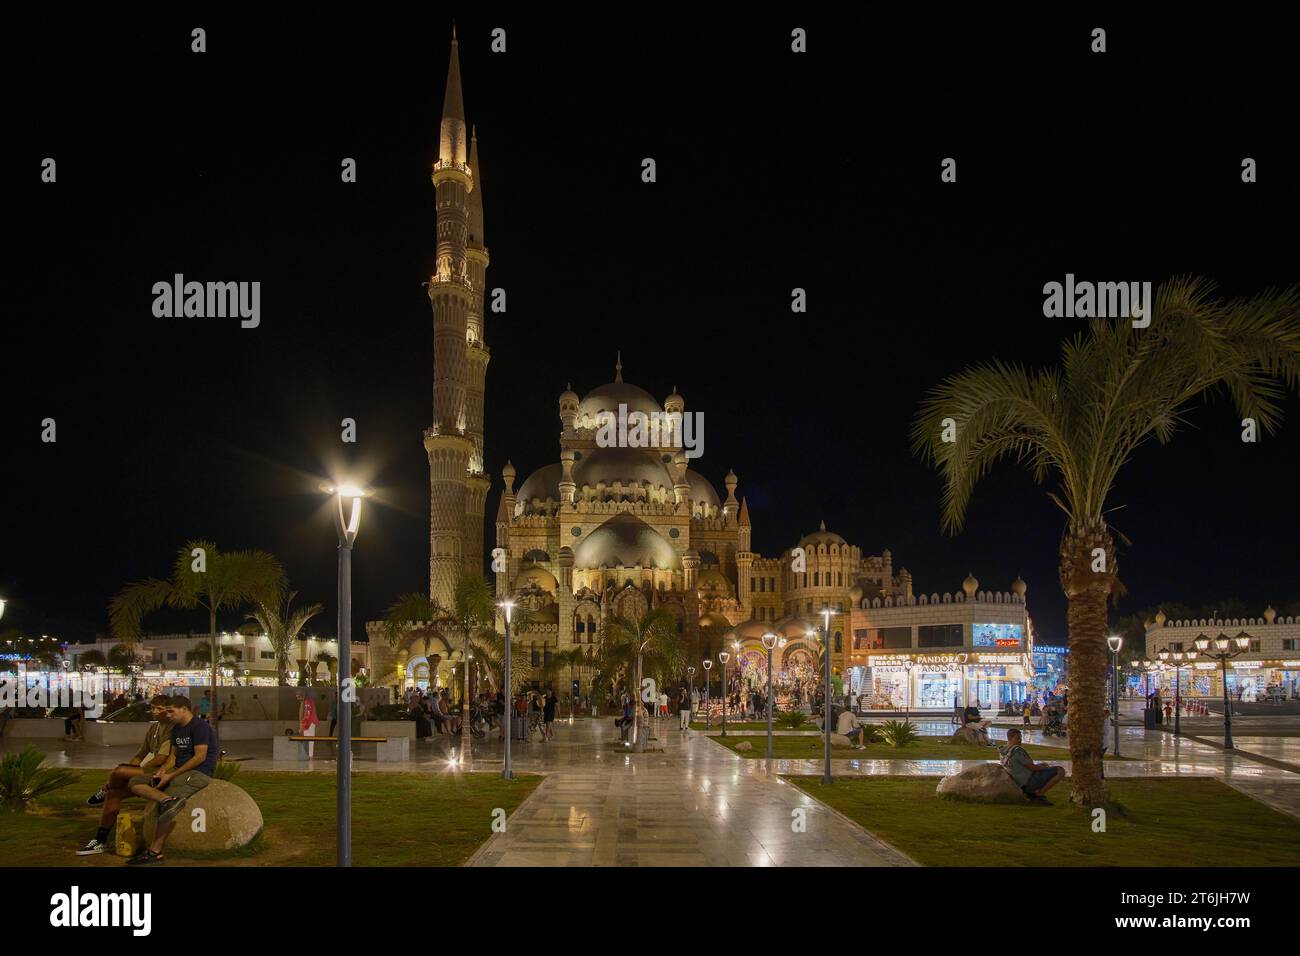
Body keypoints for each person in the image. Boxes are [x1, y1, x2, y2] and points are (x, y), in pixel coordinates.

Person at [124, 695, 219, 865]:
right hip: (177, 771)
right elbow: (173, 756)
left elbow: (200, 757)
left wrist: (172, 776)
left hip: (198, 773)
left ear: (184, 709)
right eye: (166, 711)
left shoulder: (199, 726)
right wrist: (163, 771)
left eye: (171, 711)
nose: (167, 715)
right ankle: (167, 800)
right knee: (135, 782)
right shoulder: (176, 729)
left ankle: (155, 853)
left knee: (166, 810)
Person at [76, 695, 175, 855]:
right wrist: (132, 768)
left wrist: (132, 771)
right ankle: (100, 841)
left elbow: (162, 758)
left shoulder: (173, 729)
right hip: (149, 773)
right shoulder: (154, 728)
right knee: (114, 793)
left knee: (119, 771)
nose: (155, 712)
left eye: (159, 709)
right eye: (153, 708)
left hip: (162, 773)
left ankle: (105, 789)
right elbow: (140, 754)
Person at [998, 728, 1065, 803]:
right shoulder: (1016, 751)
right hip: (1028, 783)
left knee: (1043, 766)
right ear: (1010, 738)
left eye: (1020, 738)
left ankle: (1034, 793)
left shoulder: (1003, 751)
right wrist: (1043, 767)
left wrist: (1040, 766)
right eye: (1017, 738)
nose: (1020, 740)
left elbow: (1020, 766)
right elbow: (1033, 768)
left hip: (1019, 783)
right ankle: (1039, 794)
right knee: (1060, 770)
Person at [297, 690, 319, 757]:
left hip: (309, 723)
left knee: (309, 740)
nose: (297, 697)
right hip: (308, 723)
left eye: (298, 695)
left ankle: (309, 756)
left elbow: (308, 715)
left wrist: (305, 725)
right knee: (309, 740)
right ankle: (309, 755)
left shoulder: (307, 702)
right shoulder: (305, 702)